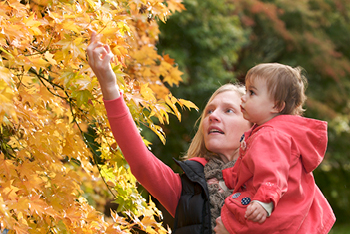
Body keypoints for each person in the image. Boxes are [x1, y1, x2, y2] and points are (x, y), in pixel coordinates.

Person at [87, 31, 252, 234]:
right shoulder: (189, 189)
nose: (213, 116)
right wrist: (109, 85)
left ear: (253, 126)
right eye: (210, 110)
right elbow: (141, 163)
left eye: (229, 110)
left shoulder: (277, 180)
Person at [218, 63, 336, 233]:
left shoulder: (270, 135)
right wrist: (228, 180)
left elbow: (273, 172)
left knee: (237, 220)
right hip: (293, 204)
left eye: (251, 92)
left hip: (279, 205)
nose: (243, 97)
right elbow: (249, 167)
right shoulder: (265, 132)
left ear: (276, 106)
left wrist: (264, 201)